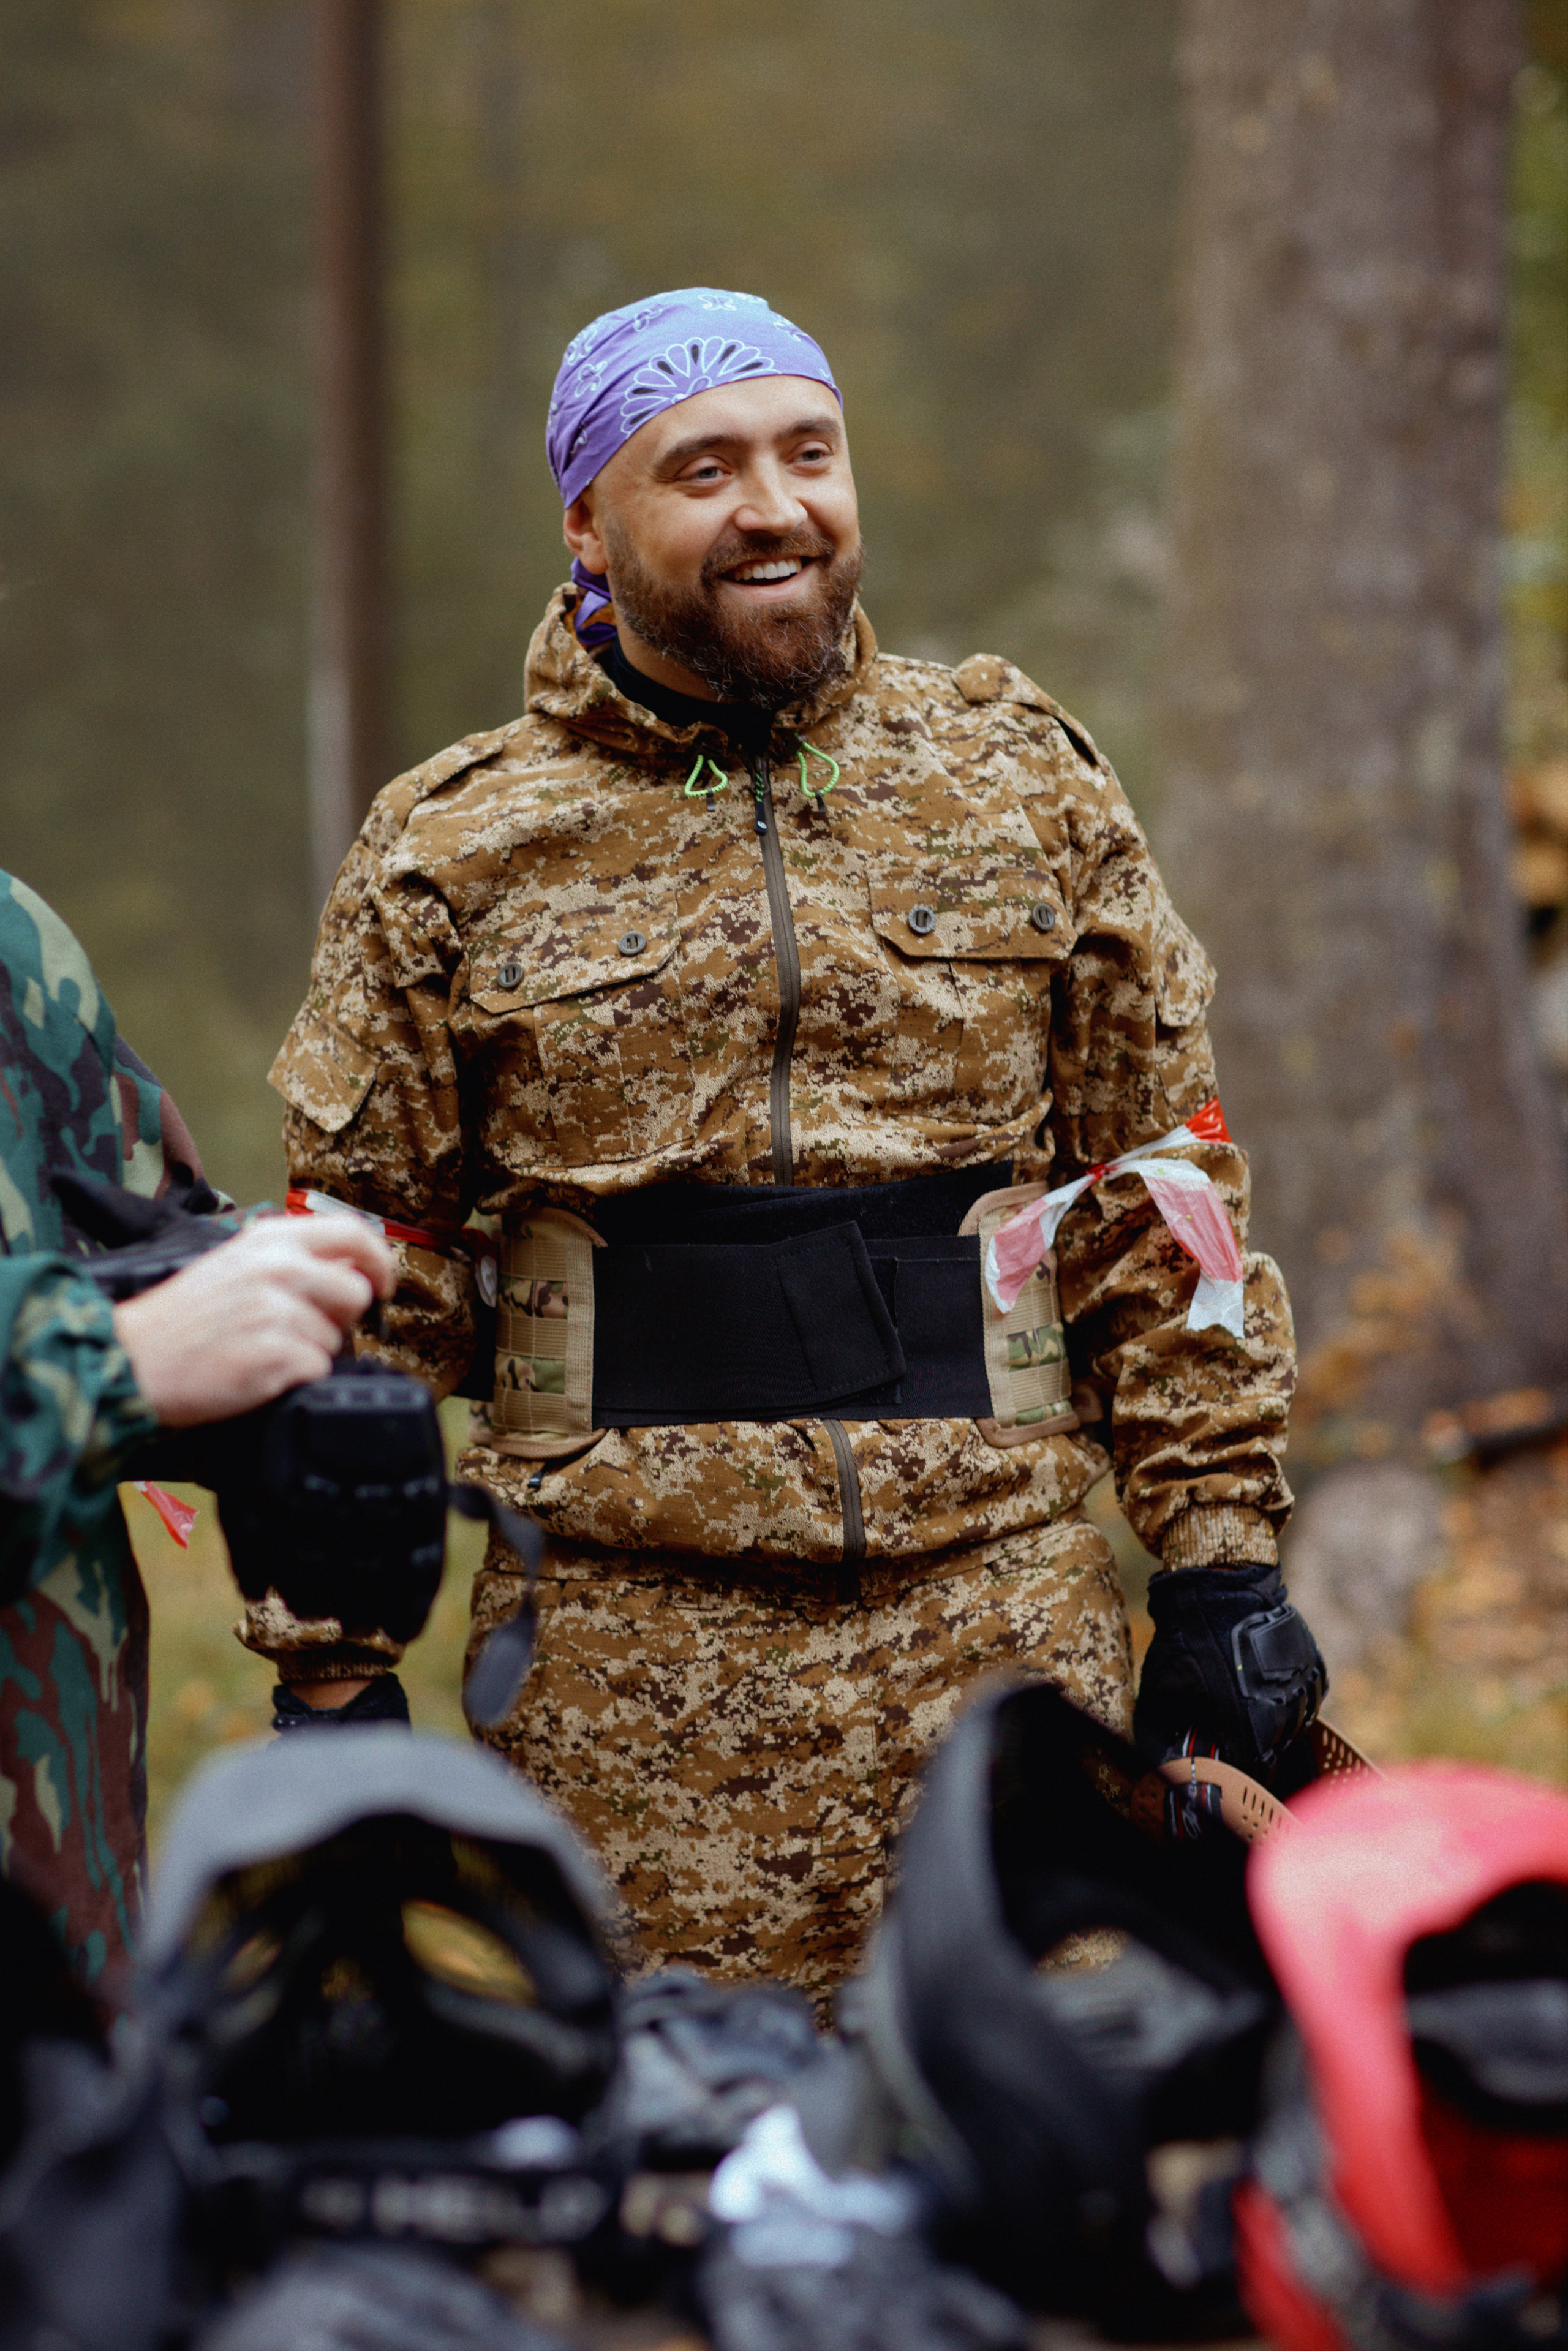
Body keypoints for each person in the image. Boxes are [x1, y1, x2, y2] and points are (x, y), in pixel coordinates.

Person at [268, 288, 1317, 2006]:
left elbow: (1160, 1193)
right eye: (703, 466)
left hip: (1007, 1638)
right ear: (589, 520)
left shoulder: (1014, 780)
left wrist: (1220, 1562)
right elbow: (362, 1270)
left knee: (1061, 2166)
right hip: (627, 1680)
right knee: (678, 2184)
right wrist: (332, 1664)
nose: (774, 504)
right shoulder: (452, 848)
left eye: (806, 453)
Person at [0, 871, 391, 1985]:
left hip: (64, 1927)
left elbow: (136, 1236)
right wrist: (103, 1364)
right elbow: (122, 1342)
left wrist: (282, 1336)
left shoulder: (17, 939)